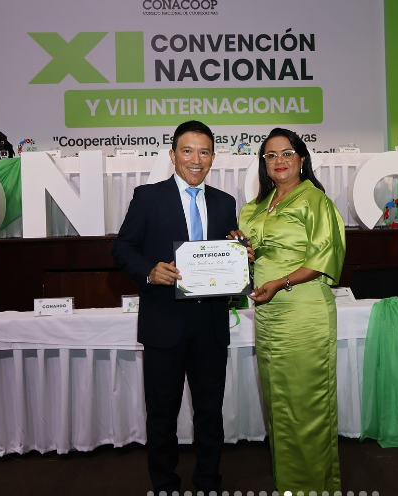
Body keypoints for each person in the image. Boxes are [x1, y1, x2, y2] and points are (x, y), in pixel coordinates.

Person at [112, 120, 238, 493]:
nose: (196, 160)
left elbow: (226, 254)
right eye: (187, 151)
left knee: (210, 414)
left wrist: (241, 251)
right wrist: (149, 271)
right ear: (172, 155)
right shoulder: (148, 197)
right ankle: (165, 485)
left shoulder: (225, 202)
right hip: (164, 323)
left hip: (211, 326)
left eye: (204, 152)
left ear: (213, 157)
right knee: (162, 415)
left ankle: (208, 483)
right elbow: (123, 248)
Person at [235, 128, 346, 492]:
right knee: (280, 407)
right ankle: (291, 485)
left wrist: (281, 282)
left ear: (301, 159)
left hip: (304, 311)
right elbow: (256, 256)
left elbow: (324, 257)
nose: (279, 161)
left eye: (286, 153)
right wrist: (241, 252)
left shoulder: (315, 200)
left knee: (306, 406)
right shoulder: (255, 206)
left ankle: (312, 488)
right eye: (271, 155)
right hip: (268, 316)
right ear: (263, 163)